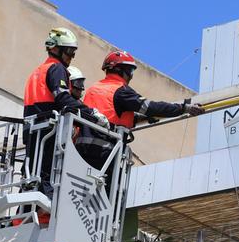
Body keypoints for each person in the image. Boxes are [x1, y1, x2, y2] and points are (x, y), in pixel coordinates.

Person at [76, 50, 204, 170]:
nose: (131, 76)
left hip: (80, 150)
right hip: (104, 152)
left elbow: (109, 116)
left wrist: (144, 118)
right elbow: (149, 107)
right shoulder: (120, 90)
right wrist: (183, 108)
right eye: (130, 71)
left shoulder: (93, 89)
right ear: (121, 70)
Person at [22, 28, 108, 198]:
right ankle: (47, 213)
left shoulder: (37, 71)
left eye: (73, 52)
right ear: (55, 48)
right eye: (69, 51)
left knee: (31, 178)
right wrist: (92, 114)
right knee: (45, 178)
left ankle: (23, 216)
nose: (71, 56)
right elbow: (62, 98)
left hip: (33, 130)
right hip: (48, 130)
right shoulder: (56, 68)